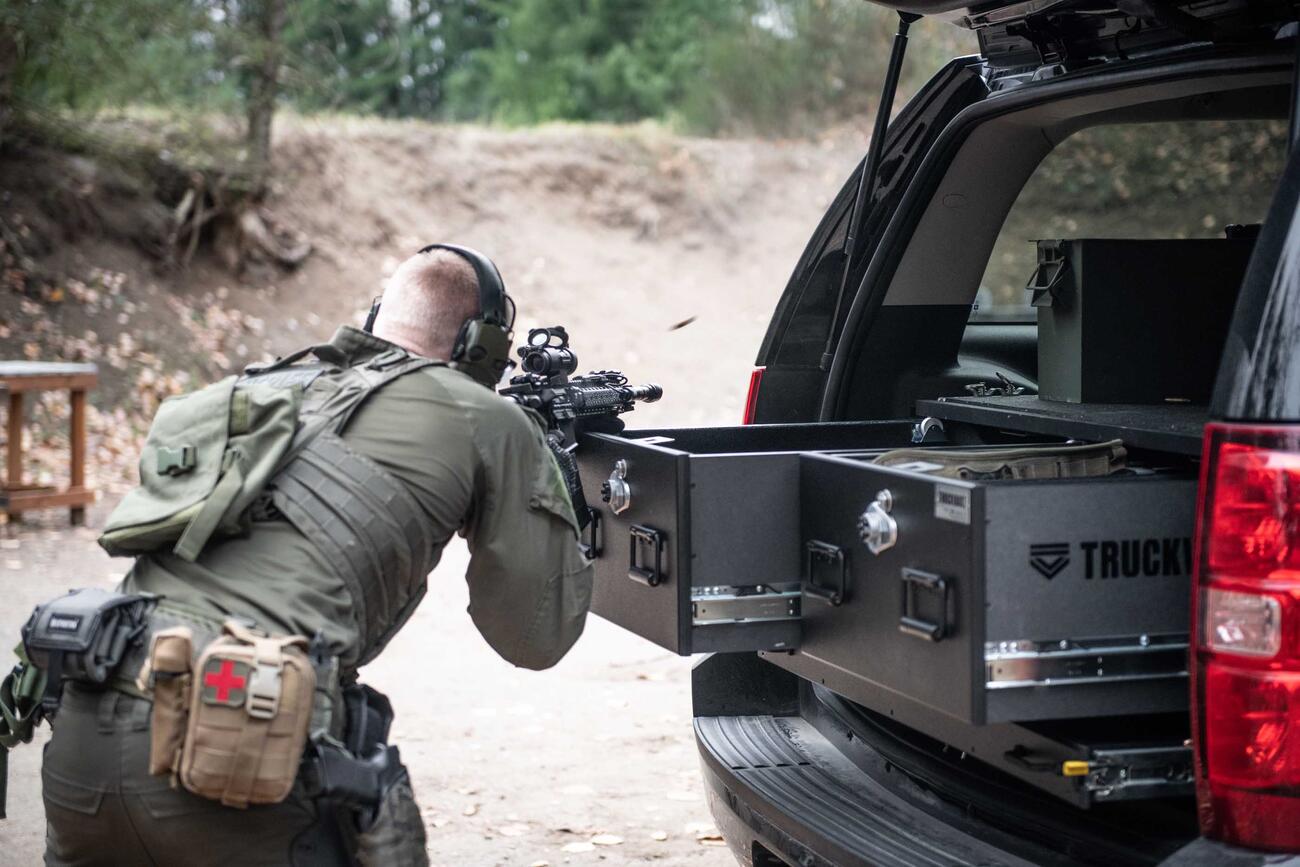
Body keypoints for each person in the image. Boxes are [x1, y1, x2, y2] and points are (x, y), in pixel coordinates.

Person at [39, 245, 595, 866]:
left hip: (83, 730)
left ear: (378, 313)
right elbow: (536, 636)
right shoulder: (485, 420)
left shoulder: (261, 388)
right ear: (481, 342)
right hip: (238, 741)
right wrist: (551, 483)